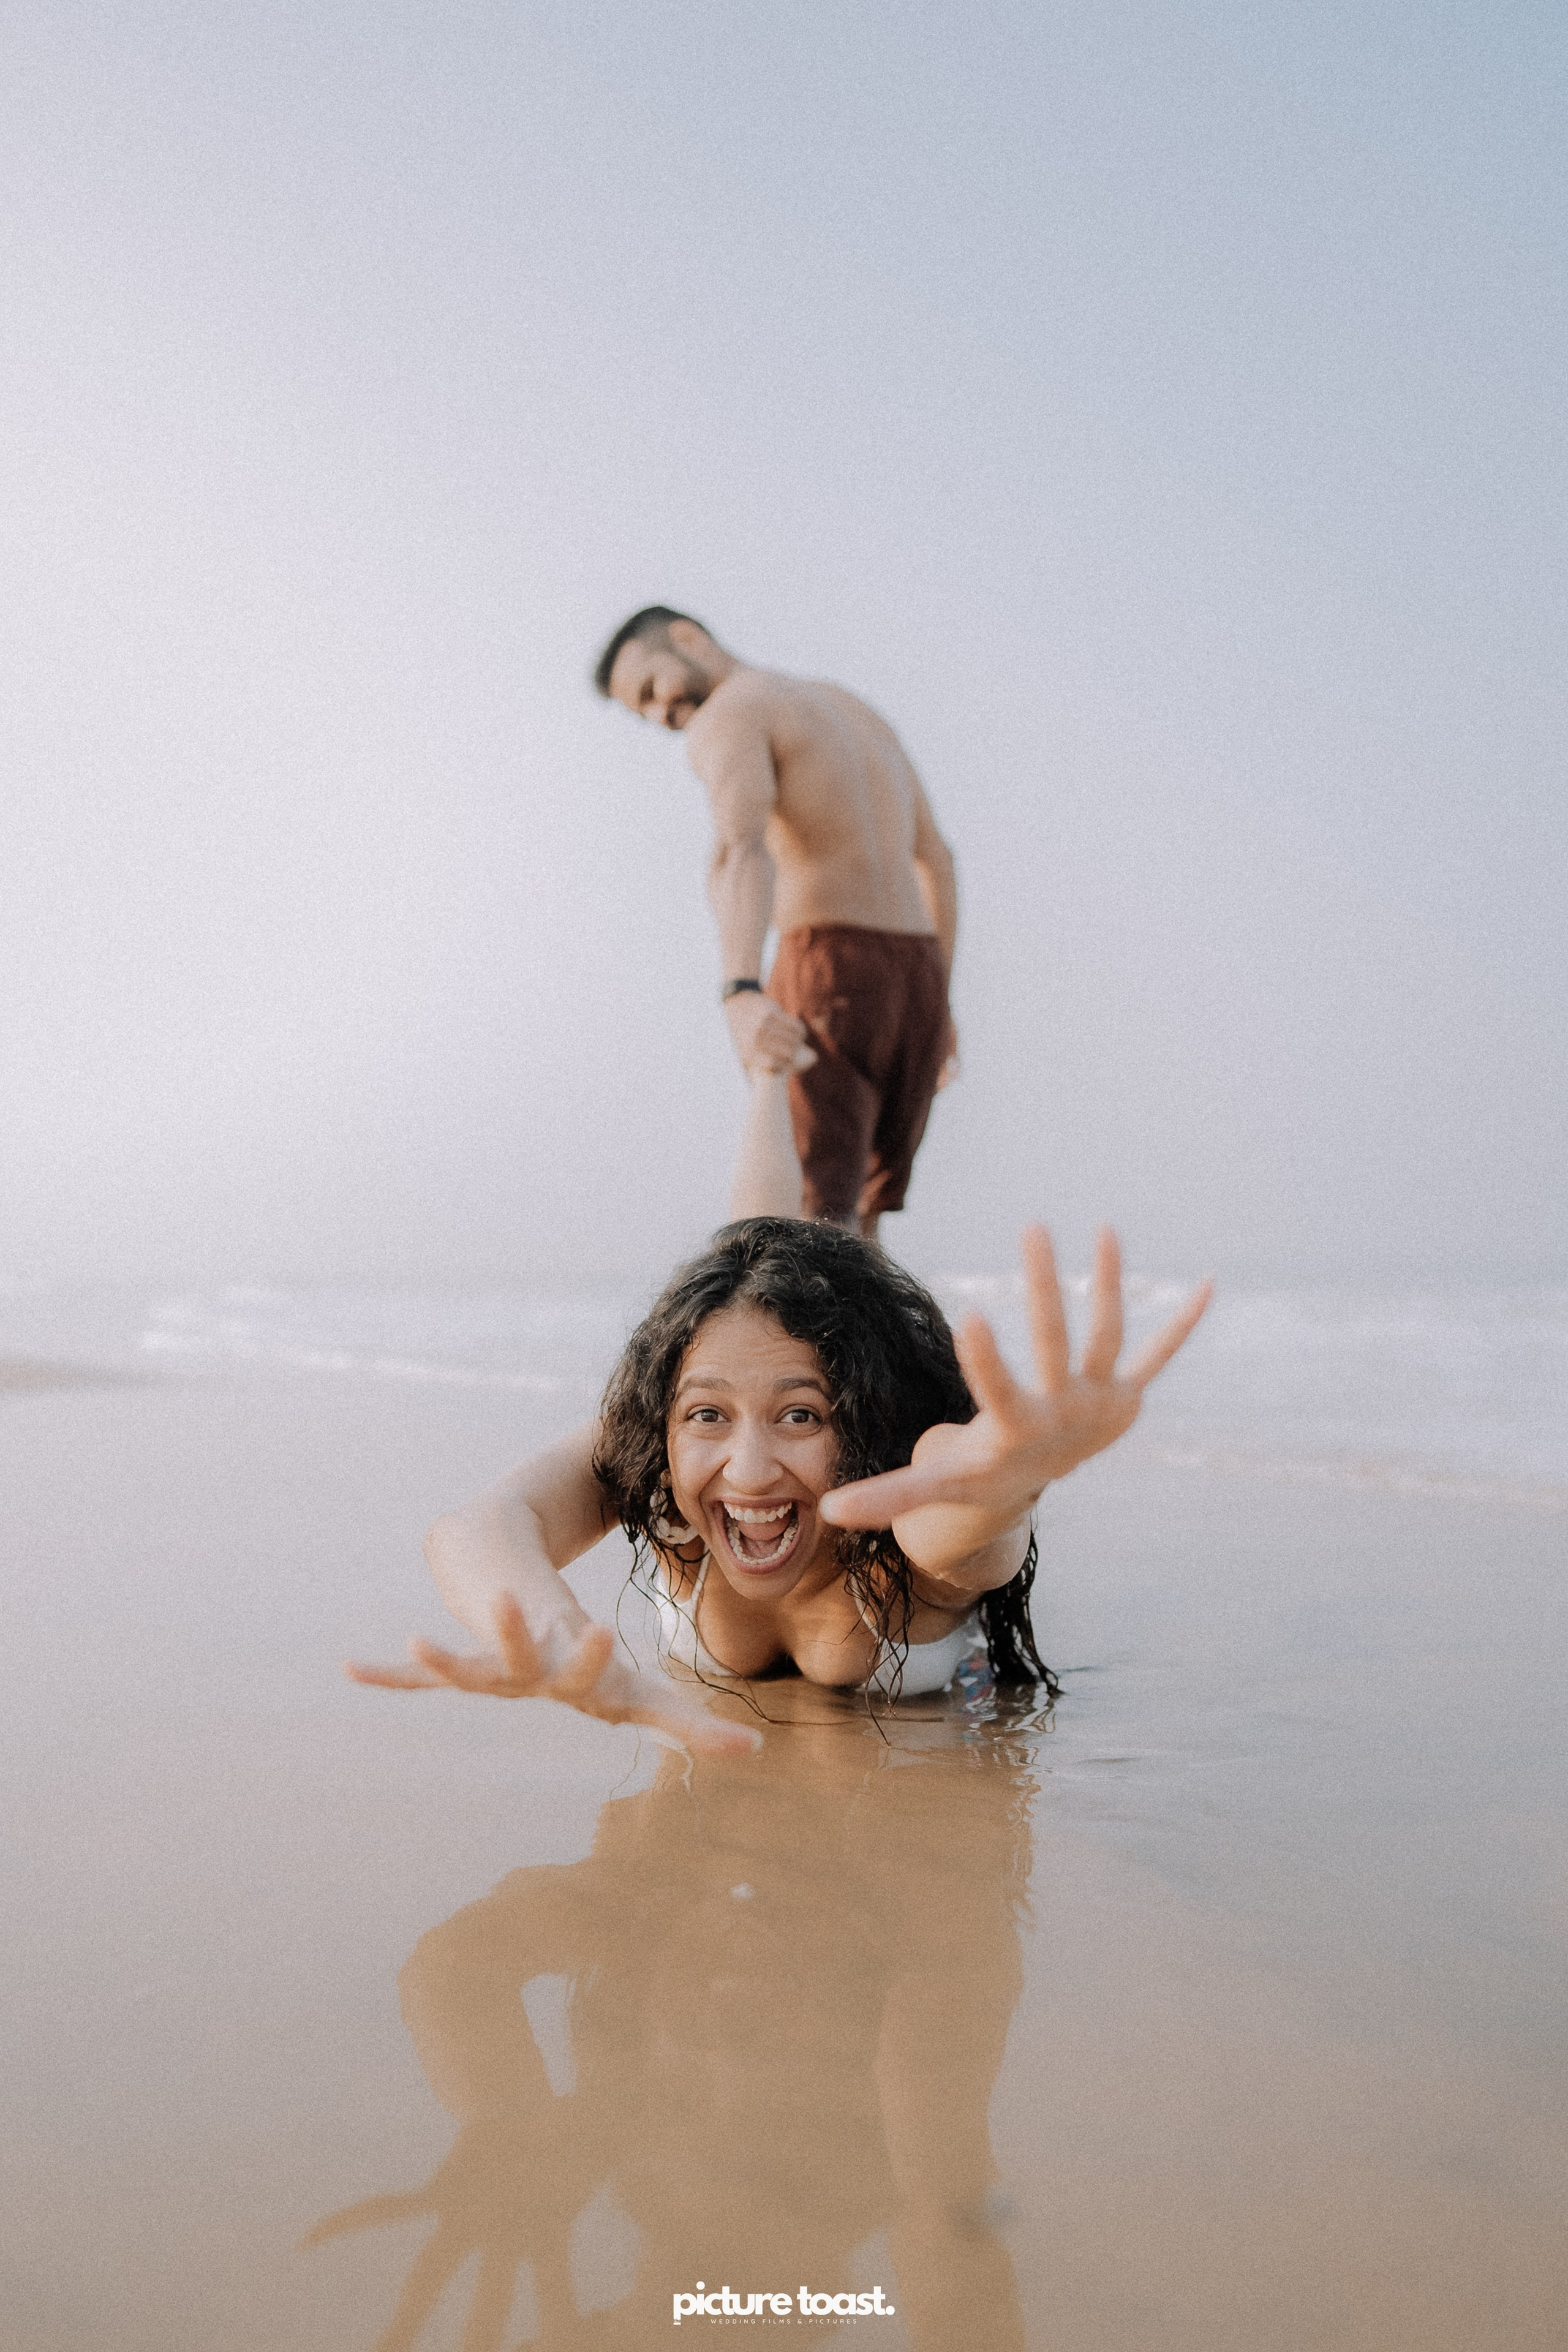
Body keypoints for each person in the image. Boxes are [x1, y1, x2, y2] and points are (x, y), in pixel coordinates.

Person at [348, 1217, 1211, 1756]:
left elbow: (959, 1507)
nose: (749, 1470)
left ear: (867, 1423)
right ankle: (768, 1068)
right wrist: (562, 1638)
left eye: (803, 1416)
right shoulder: (658, 1450)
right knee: (751, 1235)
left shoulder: (909, 1507)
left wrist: (1013, 1473)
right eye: (708, 1416)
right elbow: (478, 1527)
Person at [594, 607, 959, 1241]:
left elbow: (740, 849)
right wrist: (940, 1001)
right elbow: (936, 860)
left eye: (652, 687)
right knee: (863, 1231)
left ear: (688, 639)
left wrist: (739, 990)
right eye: (642, 712)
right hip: (917, 976)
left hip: (830, 968)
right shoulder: (853, 710)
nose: (661, 714)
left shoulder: (730, 712)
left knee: (809, 1228)